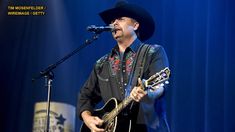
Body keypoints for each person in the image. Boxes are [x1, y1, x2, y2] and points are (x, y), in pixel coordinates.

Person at [77, 1, 170, 132]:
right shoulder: (101, 64)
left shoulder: (153, 52)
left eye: (120, 19)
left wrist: (147, 94)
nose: (114, 23)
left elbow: (160, 87)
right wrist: (88, 118)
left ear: (136, 25)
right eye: (112, 20)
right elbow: (85, 96)